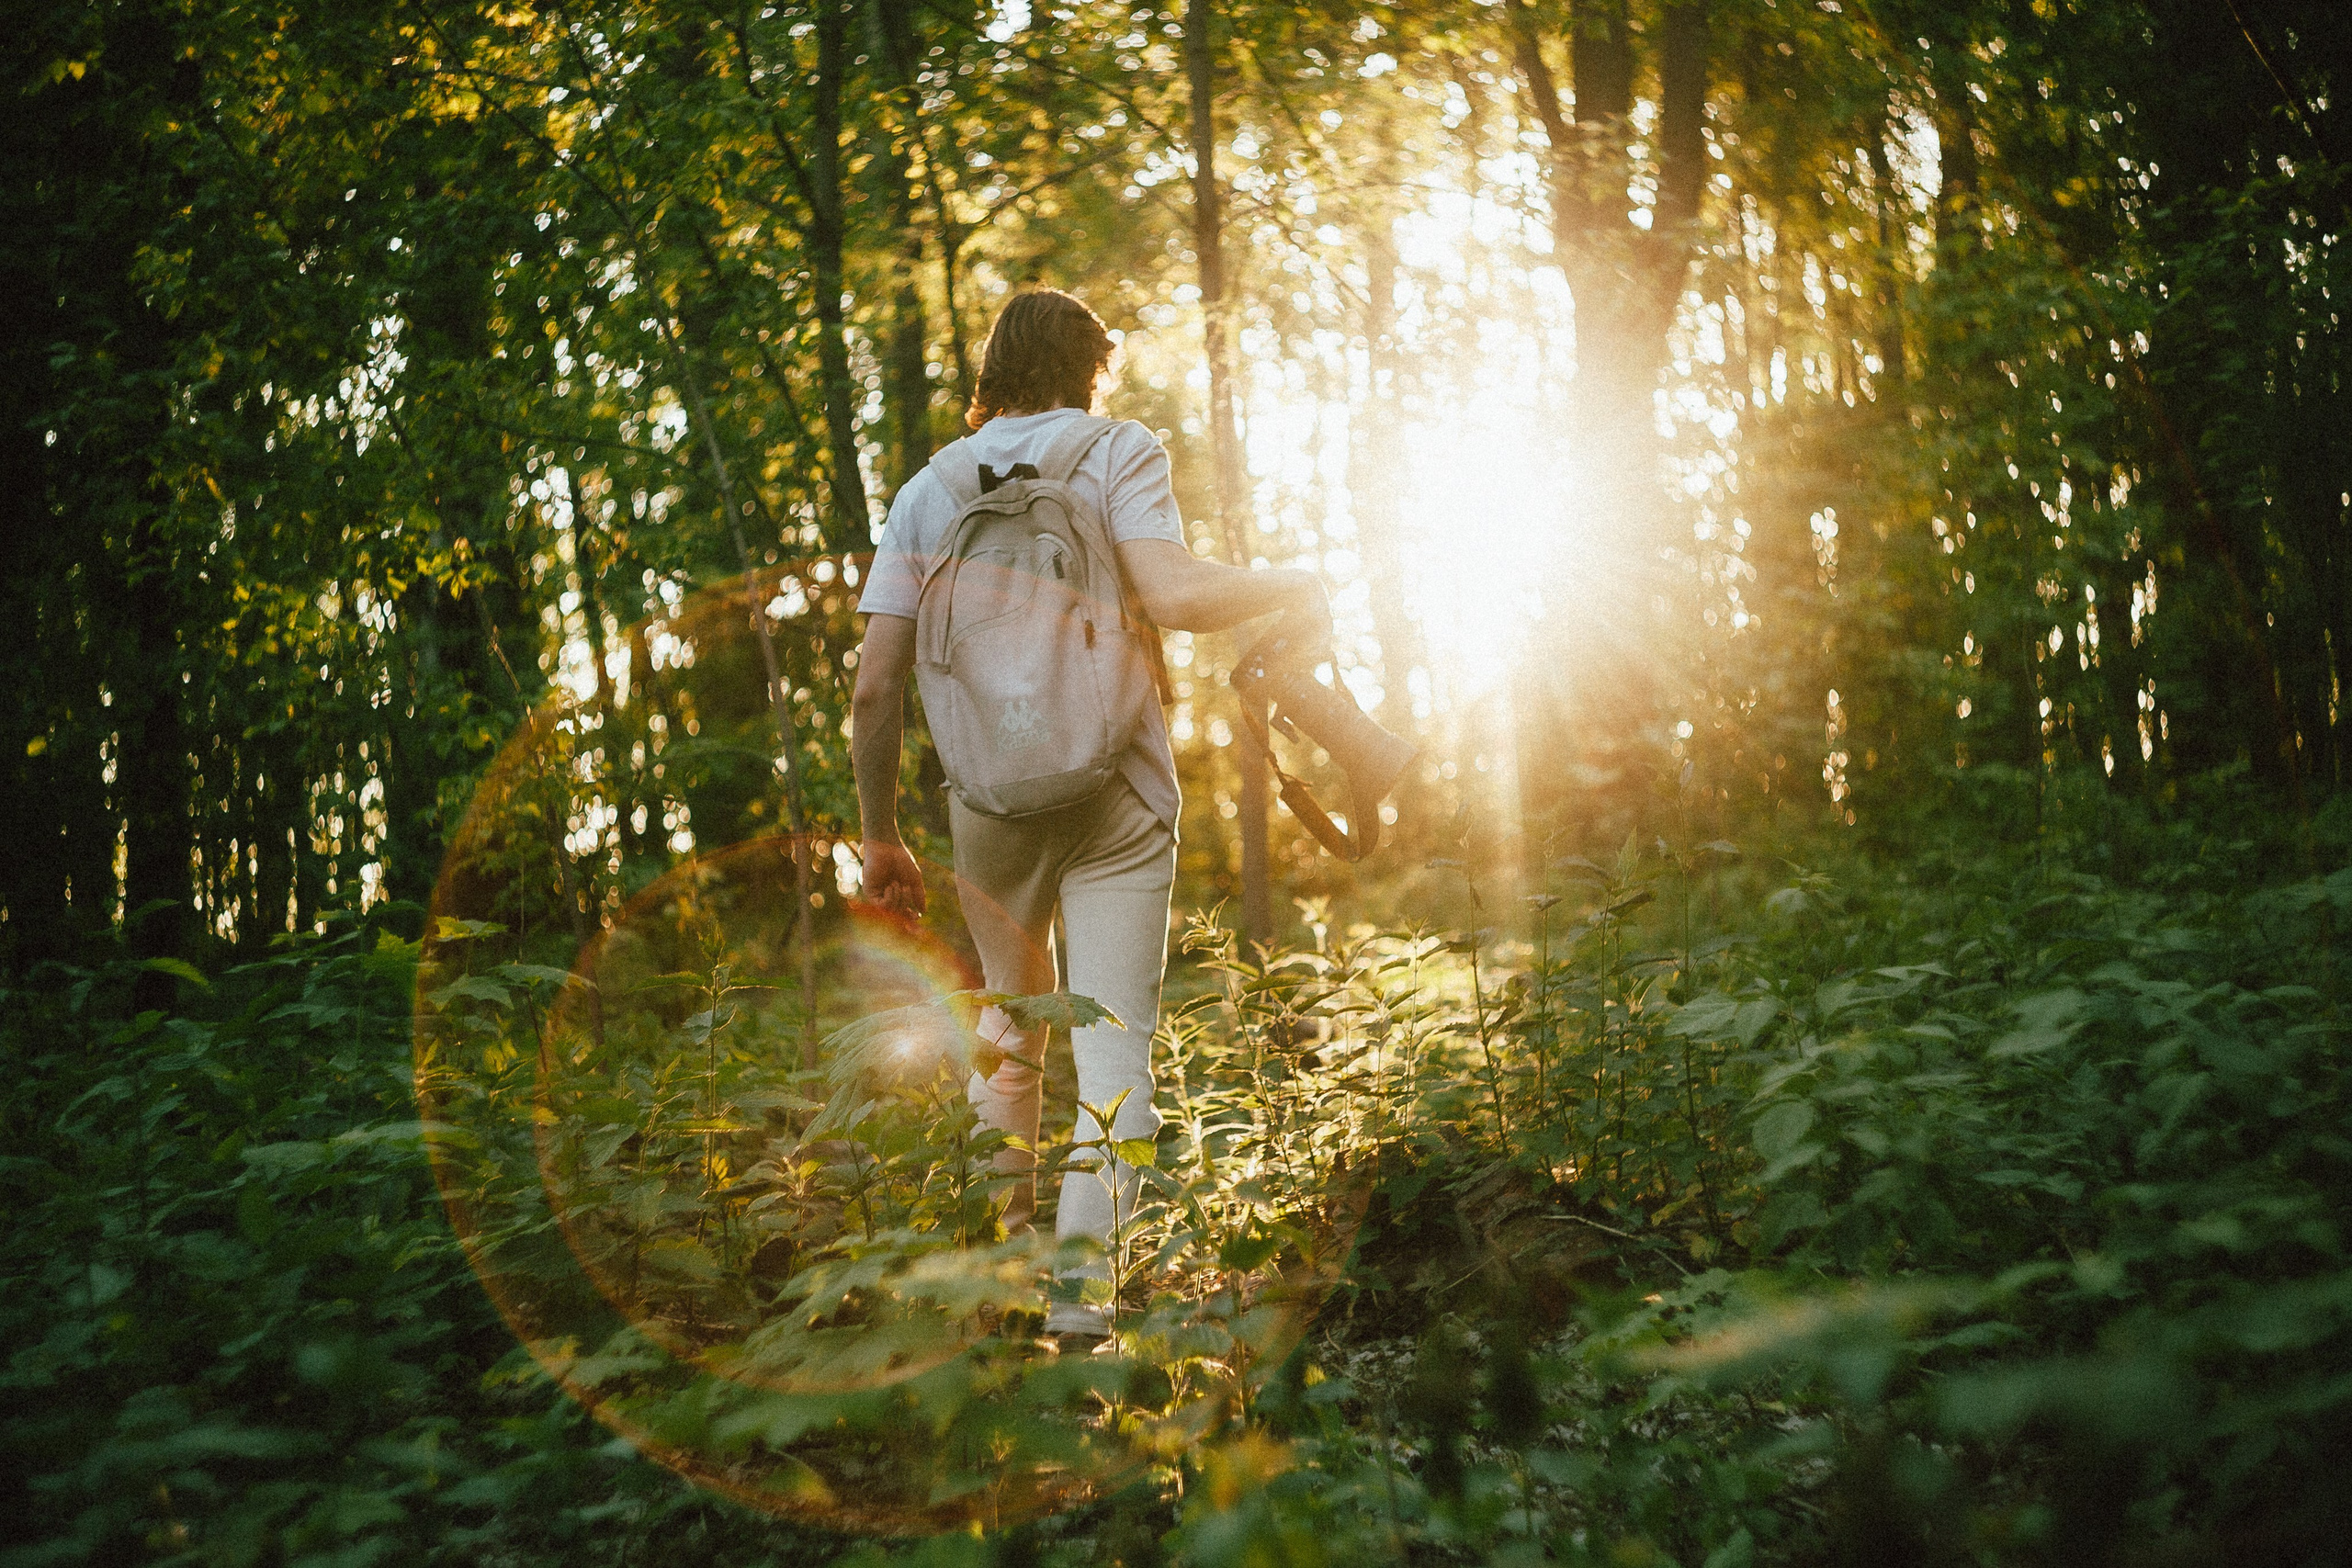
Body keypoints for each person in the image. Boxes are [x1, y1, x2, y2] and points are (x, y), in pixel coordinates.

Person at [849, 288, 1324, 1342]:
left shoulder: (928, 490)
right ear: (1090, 371)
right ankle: (1081, 1319)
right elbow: (1176, 597)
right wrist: (1294, 581)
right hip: (1118, 793)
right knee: (1114, 1062)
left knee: (1006, 1035)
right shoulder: (1116, 451)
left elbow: (874, 687)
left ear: (991, 375)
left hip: (990, 806)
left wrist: (881, 834)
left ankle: (991, 1301)